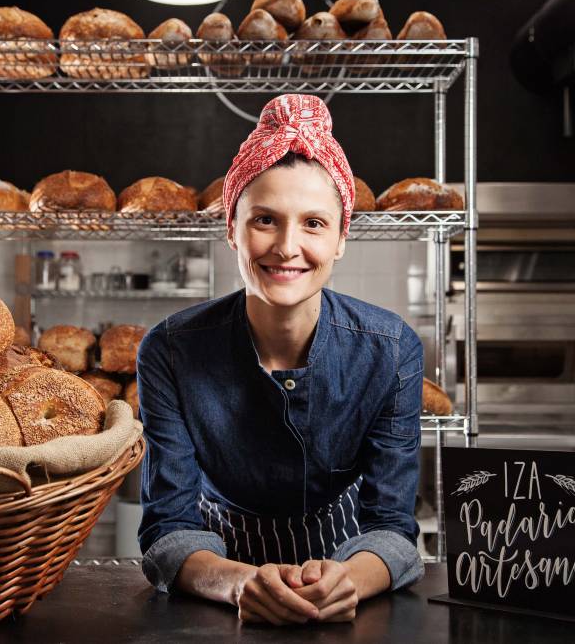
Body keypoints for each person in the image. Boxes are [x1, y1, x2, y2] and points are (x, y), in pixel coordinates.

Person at [136, 94, 424, 625]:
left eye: (314, 223)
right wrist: (237, 581)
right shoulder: (170, 350)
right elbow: (167, 526)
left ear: (341, 238)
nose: (287, 247)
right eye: (264, 220)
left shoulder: (391, 349)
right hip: (215, 588)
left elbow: (391, 526)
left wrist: (347, 583)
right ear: (231, 229)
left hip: (345, 585)